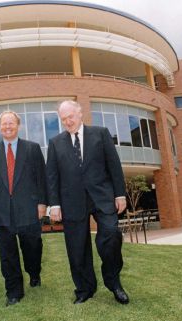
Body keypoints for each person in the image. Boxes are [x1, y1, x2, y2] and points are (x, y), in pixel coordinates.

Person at [46, 100, 129, 305]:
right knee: (77, 247)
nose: (67, 122)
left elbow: (114, 166)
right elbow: (52, 176)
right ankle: (84, 289)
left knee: (110, 235)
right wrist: (54, 204)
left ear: (80, 113)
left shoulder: (100, 133)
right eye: (63, 119)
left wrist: (120, 194)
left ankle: (113, 282)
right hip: (71, 201)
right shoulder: (56, 142)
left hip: (102, 197)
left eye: (70, 117)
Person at [0, 111, 47, 306]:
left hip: (28, 209)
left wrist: (42, 203)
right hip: (1, 212)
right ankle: (14, 291)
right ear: (0, 127)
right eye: (4, 124)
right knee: (7, 255)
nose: (8, 126)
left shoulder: (32, 149)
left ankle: (34, 272)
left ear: (18, 125)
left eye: (11, 123)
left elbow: (42, 177)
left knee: (32, 247)